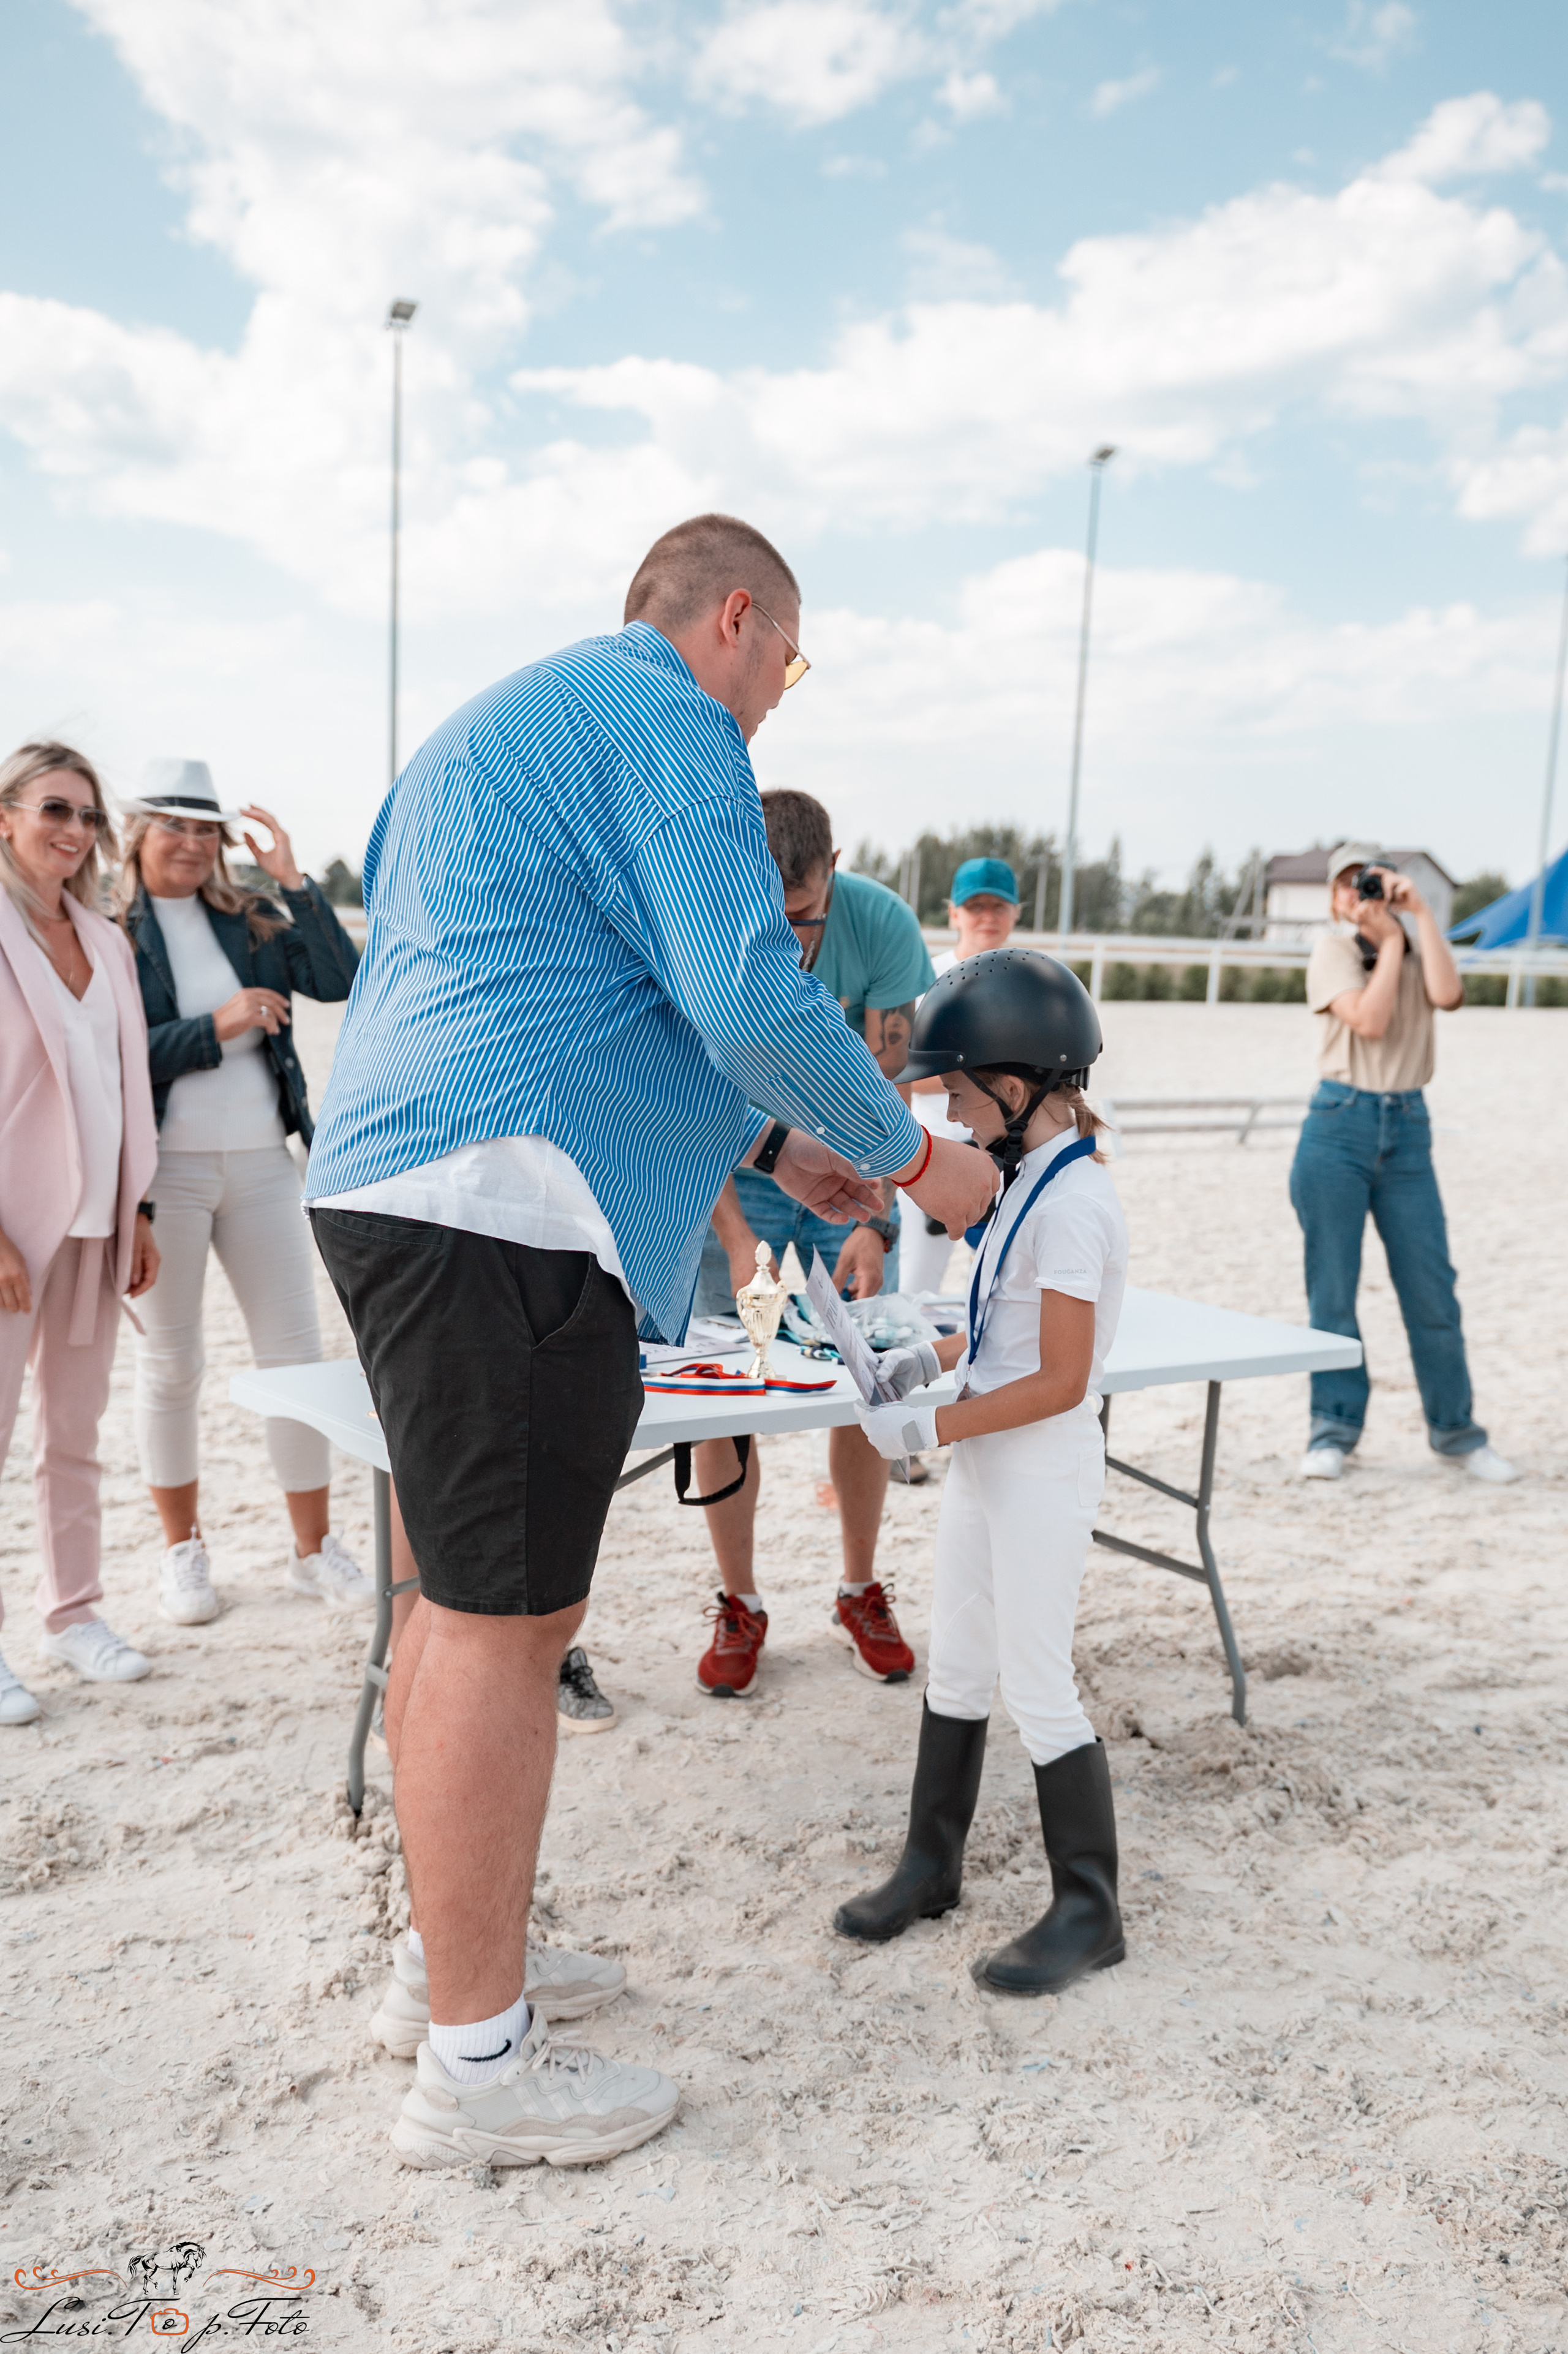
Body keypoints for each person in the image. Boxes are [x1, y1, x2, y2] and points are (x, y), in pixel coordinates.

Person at [302, 511, 994, 2169]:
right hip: (510, 1203)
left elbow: (581, 989)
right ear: (738, 619)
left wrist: (770, 1151)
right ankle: (479, 2070)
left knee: (445, 1608)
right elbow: (747, 991)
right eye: (789, 662)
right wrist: (914, 1155)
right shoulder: (671, 717)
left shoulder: (491, 732)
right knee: (502, 1626)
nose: (775, 700)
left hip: (405, 1177)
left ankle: (445, 1965)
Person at [835, 948, 1130, 1998]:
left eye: (960, 1093)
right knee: (958, 1658)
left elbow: (1058, 1379)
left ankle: (1090, 1906)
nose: (953, 1115)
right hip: (988, 1456)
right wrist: (926, 1359)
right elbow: (1003, 1336)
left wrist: (937, 1427)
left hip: (1039, 1463)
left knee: (1037, 1677)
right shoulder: (1017, 1187)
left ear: (1019, 1083)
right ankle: (932, 1862)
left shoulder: (1074, 1205)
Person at [686, 787, 935, 1699]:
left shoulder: (882, 924)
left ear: (833, 868)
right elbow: (686, 1094)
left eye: (805, 917)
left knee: (865, 1388)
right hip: (734, 1176)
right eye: (772, 915)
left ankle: (860, 1585)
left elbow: (889, 1089)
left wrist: (876, 1217)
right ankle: (740, 1599)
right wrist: (739, 1230)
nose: (789, 940)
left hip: (853, 1178)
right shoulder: (709, 918)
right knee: (725, 1399)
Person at [116, 762, 371, 1623]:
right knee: (171, 1365)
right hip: (165, 1174)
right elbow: (106, 1057)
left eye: (205, 829)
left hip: (265, 1163)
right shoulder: (110, 929)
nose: (192, 843)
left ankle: (313, 1551)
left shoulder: (253, 919)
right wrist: (212, 1027)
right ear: (139, 833)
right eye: (173, 826)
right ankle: (182, 1552)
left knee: (296, 1361)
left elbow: (341, 978)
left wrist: (294, 879)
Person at [0, 742, 160, 1718]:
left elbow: (128, 1085)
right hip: (10, 1232)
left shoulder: (106, 941)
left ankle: (74, 1609)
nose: (75, 830)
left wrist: (137, 1208)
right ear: (5, 814)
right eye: (56, 808)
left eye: (90, 815)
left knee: (74, 1431)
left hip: (99, 1225)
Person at [1289, 845, 1518, 1485]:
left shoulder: (1417, 942)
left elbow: (1449, 994)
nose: (1357, 895)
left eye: (1369, 882)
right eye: (1346, 887)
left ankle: (1457, 1433)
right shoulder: (1333, 951)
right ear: (1334, 900)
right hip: (1338, 1126)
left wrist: (1417, 917)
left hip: (1409, 1130)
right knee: (1332, 1291)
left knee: (1432, 1288)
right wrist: (1388, 945)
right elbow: (1368, 1020)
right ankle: (1332, 1430)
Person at [898, 856, 1023, 1299]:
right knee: (918, 1279)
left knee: (1003, 1280)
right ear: (954, 912)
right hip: (934, 1142)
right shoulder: (924, 978)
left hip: (1010, 1148)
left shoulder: (1027, 980)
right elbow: (902, 1069)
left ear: (1016, 912)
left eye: (999, 905)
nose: (987, 916)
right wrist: (988, 1078)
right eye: (975, 906)